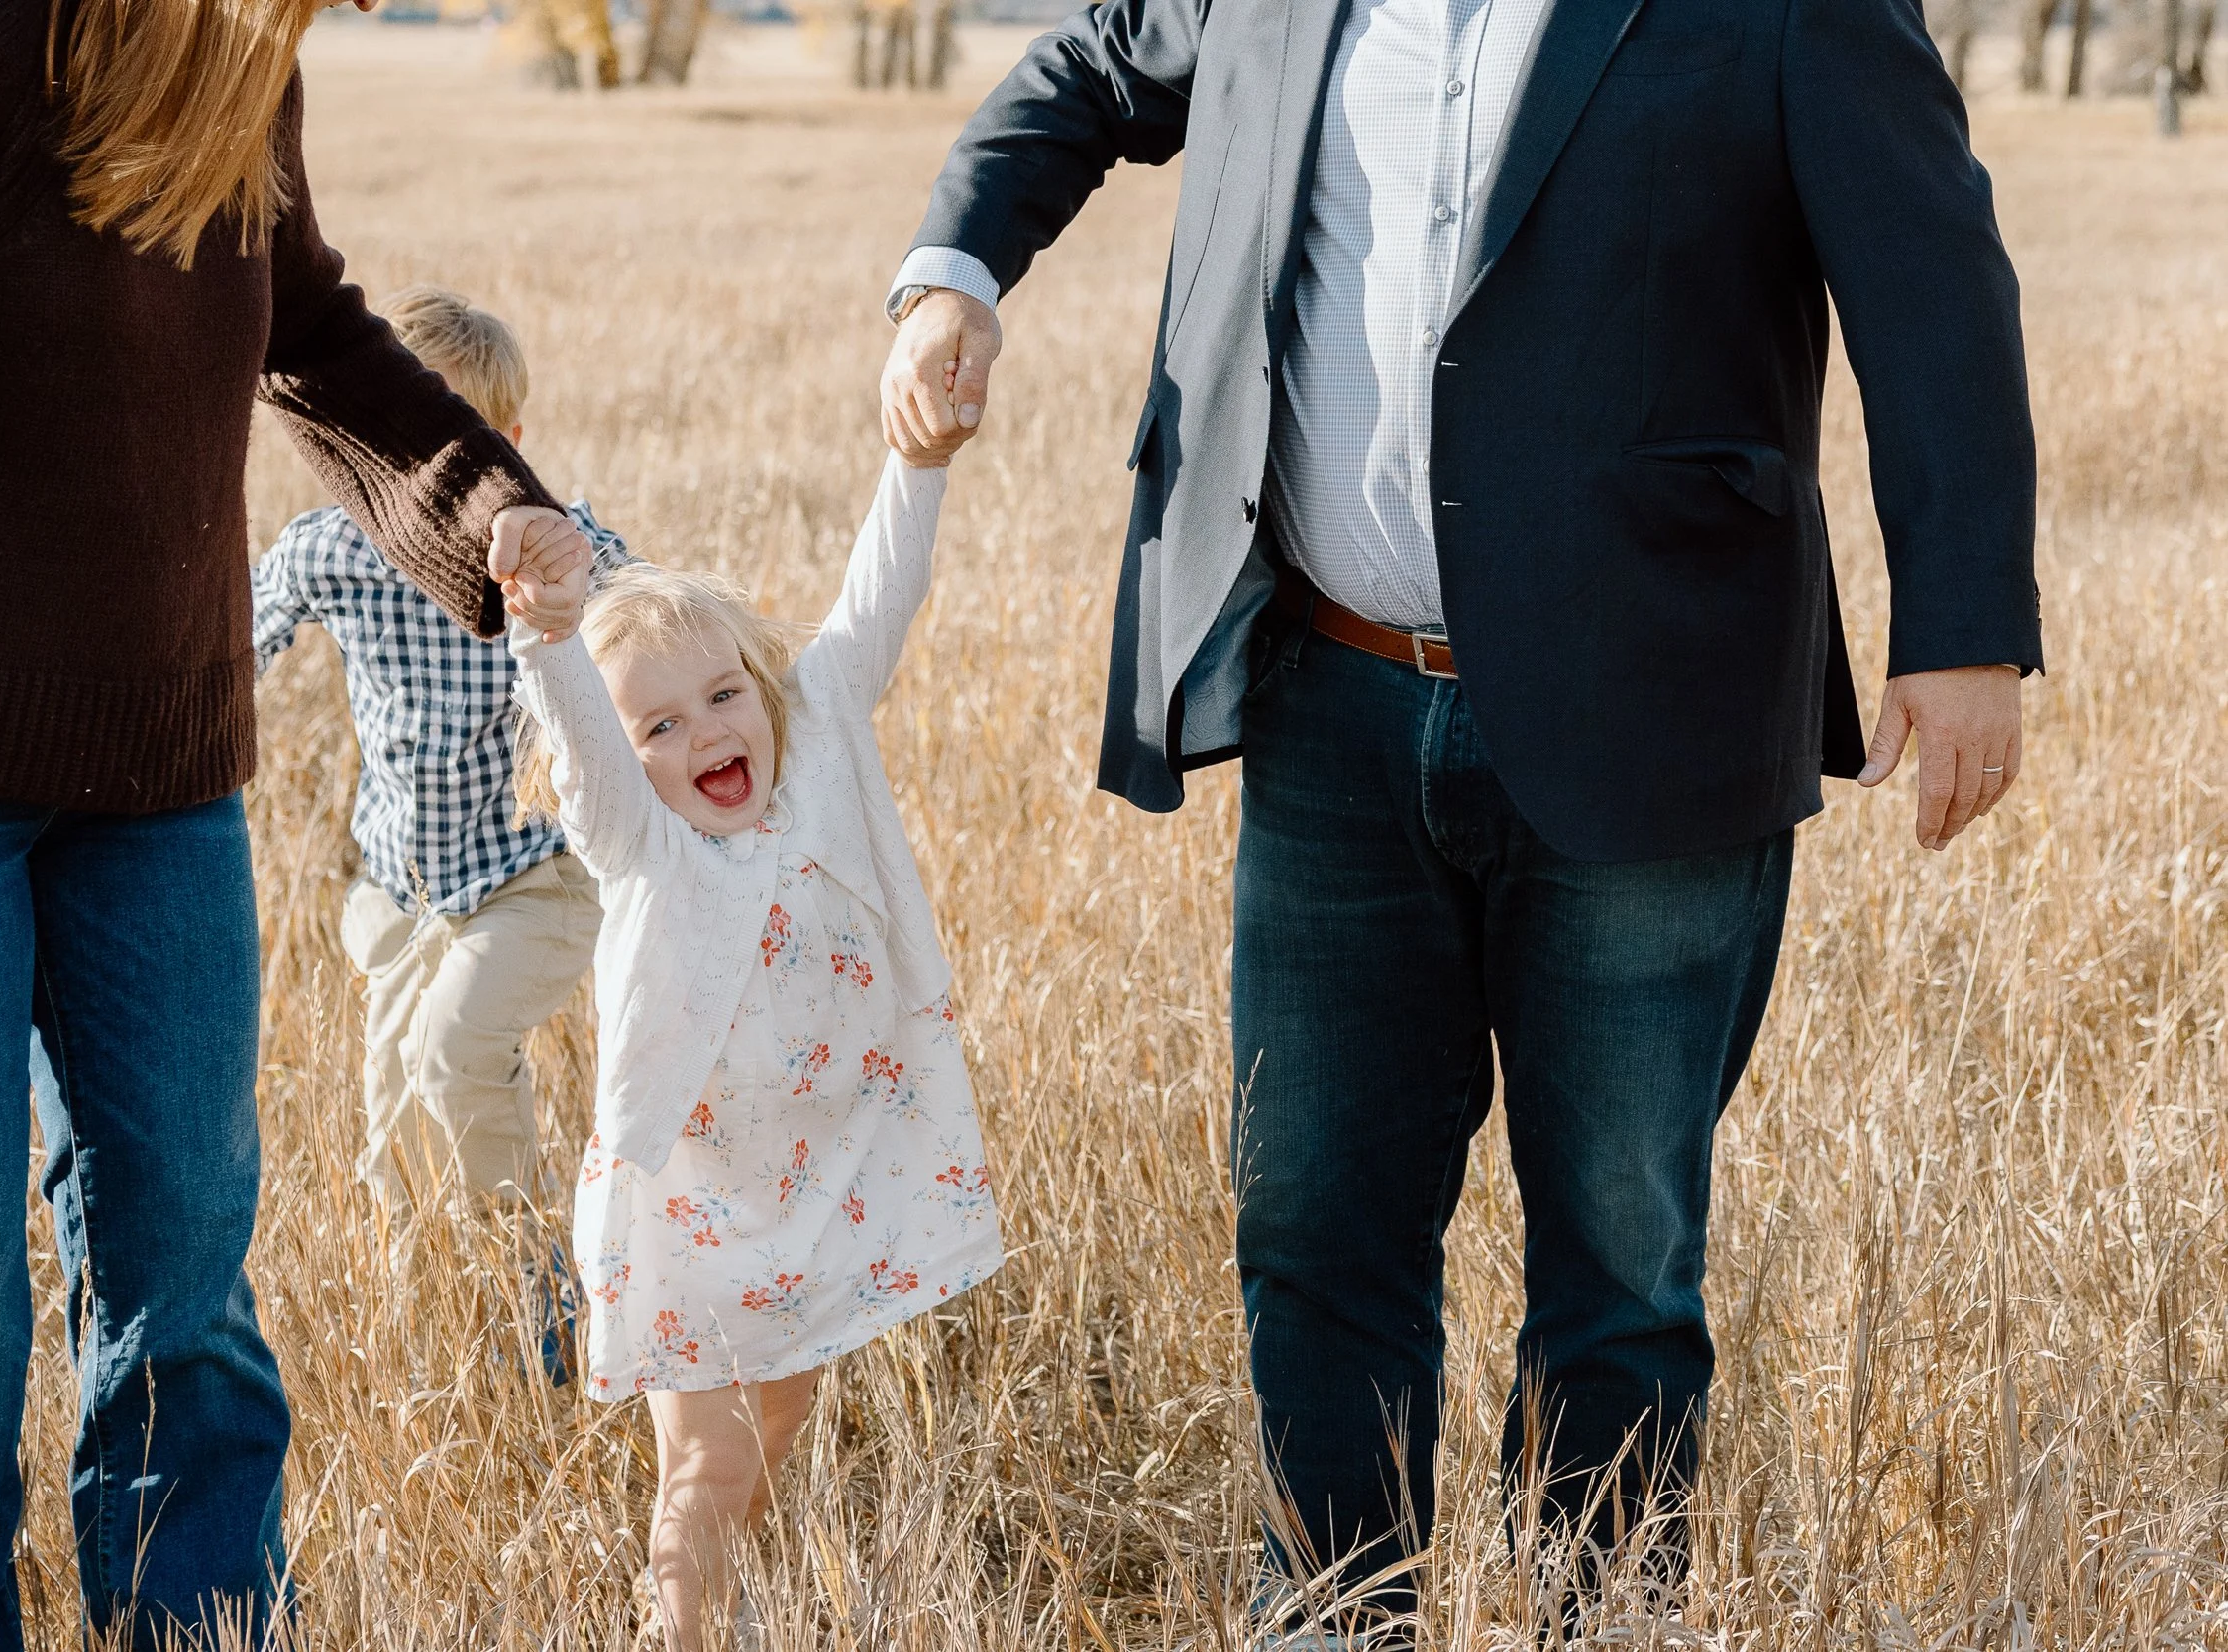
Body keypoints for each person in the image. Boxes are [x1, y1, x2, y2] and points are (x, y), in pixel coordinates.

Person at [878, 0, 2040, 1631]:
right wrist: (952, 275)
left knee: (1621, 1274)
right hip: (1329, 707)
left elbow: (1933, 278)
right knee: (1312, 1229)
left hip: (1657, 708)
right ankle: (1336, 1619)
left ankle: (1596, 1619)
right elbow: (1092, 67)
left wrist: (1967, 622)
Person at [0, 0, 598, 1645]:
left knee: (188, 1290)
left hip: (159, 794)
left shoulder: (239, 55)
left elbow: (319, 335)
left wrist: (495, 509)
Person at [513, 455, 1004, 1651]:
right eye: (663, 727)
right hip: (698, 1205)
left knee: (780, 1409)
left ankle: (710, 1603)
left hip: (820, 1179)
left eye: (725, 696)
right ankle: (674, 1625)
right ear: (629, 762)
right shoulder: (644, 844)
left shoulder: (818, 732)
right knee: (709, 1467)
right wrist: (548, 639)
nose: (709, 733)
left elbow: (881, 591)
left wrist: (915, 462)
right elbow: (582, 745)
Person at [253, 287, 625, 1232]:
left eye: (461, 452)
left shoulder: (561, 553)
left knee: (455, 1052)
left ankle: (530, 1284)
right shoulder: (326, 552)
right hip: (402, 884)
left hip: (534, 872)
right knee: (392, 1119)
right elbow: (226, 650)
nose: (428, 482)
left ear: (509, 447)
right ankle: (420, 1290)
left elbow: (663, 632)